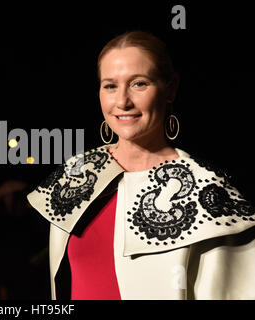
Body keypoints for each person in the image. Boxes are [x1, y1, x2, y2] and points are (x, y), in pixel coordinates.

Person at [26, 30, 255, 300]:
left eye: (139, 84)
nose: (122, 102)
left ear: (170, 89)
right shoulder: (77, 173)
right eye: (110, 86)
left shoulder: (208, 191)